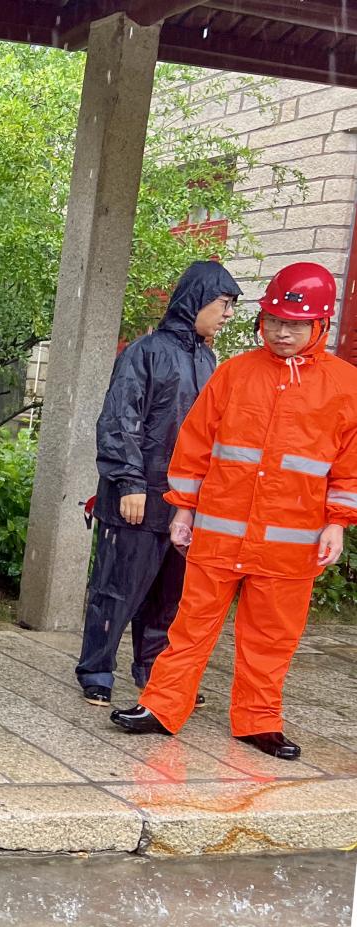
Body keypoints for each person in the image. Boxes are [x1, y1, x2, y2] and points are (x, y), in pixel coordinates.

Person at [111, 262, 357, 760]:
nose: (282, 332)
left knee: (272, 636)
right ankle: (161, 707)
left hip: (291, 540)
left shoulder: (345, 386)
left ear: (320, 325)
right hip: (219, 531)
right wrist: (183, 510)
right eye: (273, 321)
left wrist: (337, 523)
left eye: (295, 324)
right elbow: (196, 444)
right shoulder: (234, 373)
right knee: (190, 623)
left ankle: (257, 720)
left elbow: (349, 465)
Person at [76, 260, 240, 706]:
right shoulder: (144, 353)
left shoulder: (208, 360)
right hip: (138, 493)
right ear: (197, 301)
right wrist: (129, 482)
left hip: (183, 500)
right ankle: (96, 669)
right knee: (117, 586)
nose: (227, 314)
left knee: (169, 594)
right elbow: (119, 419)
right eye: (223, 303)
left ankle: (153, 670)